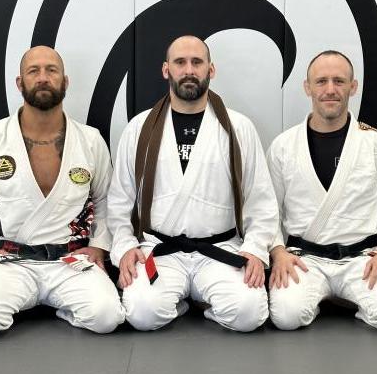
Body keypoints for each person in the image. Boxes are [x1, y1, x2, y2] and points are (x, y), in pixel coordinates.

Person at [0, 45, 124, 337]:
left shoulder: (90, 140)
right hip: (11, 260)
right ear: (20, 83)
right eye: (34, 71)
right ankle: (32, 300)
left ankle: (52, 304)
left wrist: (99, 245)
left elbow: (107, 199)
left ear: (65, 82)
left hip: (69, 262)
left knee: (107, 317)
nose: (43, 77)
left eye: (51, 70)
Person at [107, 35, 278, 331]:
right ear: (166, 70)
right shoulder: (139, 128)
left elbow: (259, 200)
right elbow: (120, 200)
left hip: (221, 250)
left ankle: (197, 303)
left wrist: (254, 248)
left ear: (211, 70)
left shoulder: (239, 128)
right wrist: (124, 247)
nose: (189, 70)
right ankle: (186, 303)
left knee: (249, 313)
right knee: (142, 314)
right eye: (180, 62)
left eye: (197, 62)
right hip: (160, 250)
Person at [267, 50, 377, 334]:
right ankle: (324, 297)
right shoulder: (283, 146)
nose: (330, 89)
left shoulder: (375, 144)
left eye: (339, 81)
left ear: (353, 86)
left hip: (362, 259)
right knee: (286, 316)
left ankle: (345, 297)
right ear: (307, 87)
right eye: (321, 81)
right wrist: (278, 252)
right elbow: (267, 210)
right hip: (305, 258)